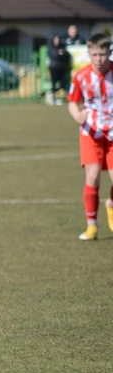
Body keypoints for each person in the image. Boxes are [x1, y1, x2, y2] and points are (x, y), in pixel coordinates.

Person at [67, 33, 113, 241]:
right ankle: (91, 226)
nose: (98, 59)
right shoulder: (81, 76)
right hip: (90, 133)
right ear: (88, 53)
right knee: (93, 176)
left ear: (109, 53)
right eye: (94, 54)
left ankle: (111, 204)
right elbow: (72, 101)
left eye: (102, 54)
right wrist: (77, 115)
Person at [47, 34, 71, 106]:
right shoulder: (51, 48)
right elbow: (55, 55)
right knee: (54, 83)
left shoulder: (62, 47)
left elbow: (66, 55)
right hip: (54, 68)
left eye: (58, 39)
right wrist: (60, 54)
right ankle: (52, 98)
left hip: (62, 68)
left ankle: (52, 93)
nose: (57, 41)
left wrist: (62, 54)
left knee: (63, 83)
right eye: (56, 39)